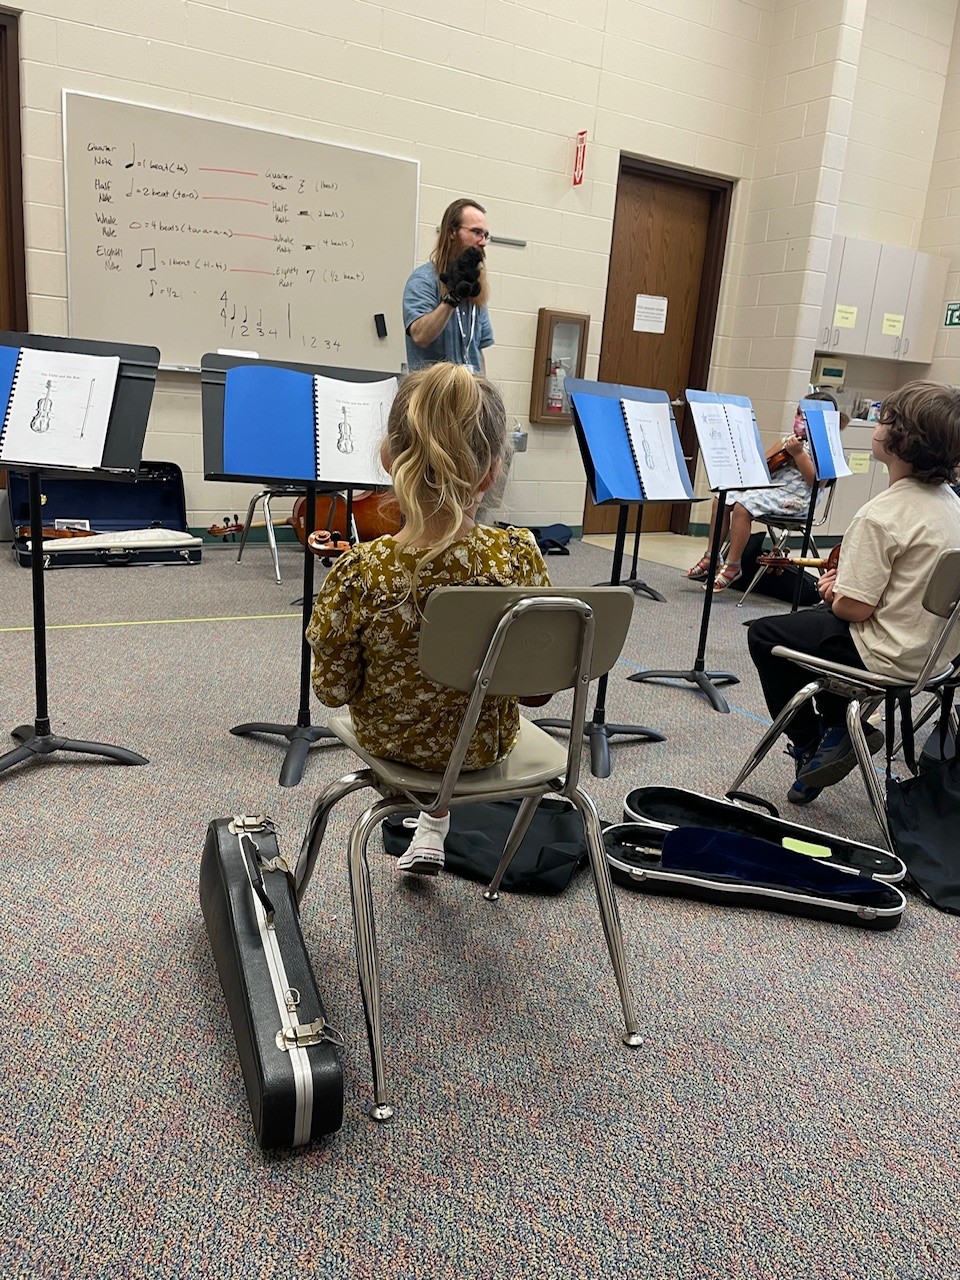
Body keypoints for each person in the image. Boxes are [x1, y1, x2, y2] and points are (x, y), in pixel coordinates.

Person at [306, 362, 550, 875]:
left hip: (394, 748)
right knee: (461, 712)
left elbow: (332, 690)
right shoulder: (517, 558)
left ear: (389, 456)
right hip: (485, 748)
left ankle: (427, 821)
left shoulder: (359, 573)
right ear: (490, 472)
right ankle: (433, 825)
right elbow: (537, 691)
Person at [746, 380, 960, 805]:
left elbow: (854, 610)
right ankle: (839, 726)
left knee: (766, 634)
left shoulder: (880, 515)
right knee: (812, 629)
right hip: (935, 657)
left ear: (898, 441)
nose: (876, 426)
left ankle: (817, 740)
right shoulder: (952, 505)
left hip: (885, 655)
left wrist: (832, 593)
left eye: (883, 420)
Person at [687, 391, 844, 592]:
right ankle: (712, 556)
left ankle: (733, 564)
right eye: (797, 415)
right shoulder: (790, 440)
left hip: (797, 500)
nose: (798, 421)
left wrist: (798, 455)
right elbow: (762, 465)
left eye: (804, 418)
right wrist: (781, 453)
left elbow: (816, 482)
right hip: (772, 491)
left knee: (743, 506)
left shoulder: (825, 450)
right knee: (722, 498)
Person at [402, 198, 494, 375]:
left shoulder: (475, 285)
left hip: (469, 395)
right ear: (452, 232)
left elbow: (477, 351)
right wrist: (452, 299)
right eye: (476, 232)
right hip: (433, 395)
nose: (482, 242)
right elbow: (420, 336)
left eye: (485, 235)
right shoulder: (424, 280)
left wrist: (484, 394)